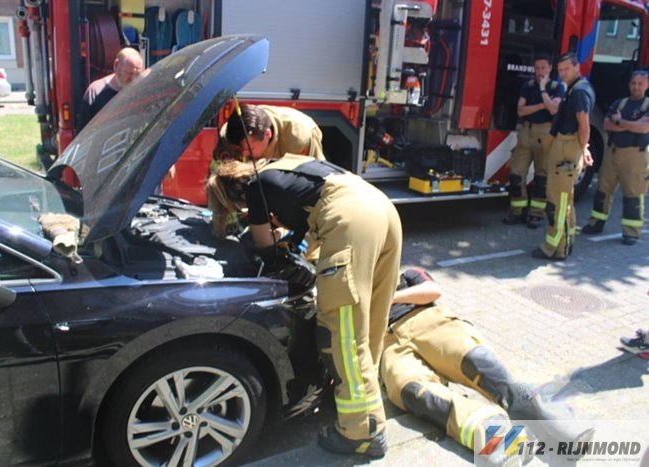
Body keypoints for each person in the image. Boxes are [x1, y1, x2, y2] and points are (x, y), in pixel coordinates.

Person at [207, 154, 402, 458]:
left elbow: (265, 247)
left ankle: (362, 433)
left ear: (235, 197)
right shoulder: (279, 166)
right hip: (382, 210)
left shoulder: (255, 188)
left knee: (341, 332)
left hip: (350, 221)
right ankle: (360, 404)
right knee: (369, 322)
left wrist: (266, 241)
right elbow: (305, 210)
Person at [380, 267, 594, 465]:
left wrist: (388, 297)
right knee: (410, 390)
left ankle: (556, 423)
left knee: (478, 362)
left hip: (428, 321)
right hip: (387, 343)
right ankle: (500, 435)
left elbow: (432, 291)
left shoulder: (408, 275)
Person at [532, 52, 595, 261]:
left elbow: (584, 126)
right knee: (565, 200)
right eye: (560, 70)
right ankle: (566, 243)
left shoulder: (579, 92)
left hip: (567, 147)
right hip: (566, 145)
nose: (563, 73)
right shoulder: (575, 89)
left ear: (577, 67)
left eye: (566, 69)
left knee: (557, 203)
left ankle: (553, 248)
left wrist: (583, 148)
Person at [581, 70, 649, 246]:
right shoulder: (620, 103)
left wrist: (620, 122)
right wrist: (632, 124)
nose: (636, 87)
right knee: (603, 190)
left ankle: (631, 232)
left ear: (647, 85)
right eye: (633, 83)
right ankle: (596, 223)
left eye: (640, 84)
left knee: (633, 194)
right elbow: (606, 124)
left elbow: (644, 128)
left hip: (636, 155)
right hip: (613, 152)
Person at [504, 55, 564, 229]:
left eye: (543, 68)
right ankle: (518, 211)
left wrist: (543, 90)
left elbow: (553, 109)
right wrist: (541, 105)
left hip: (545, 133)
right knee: (516, 174)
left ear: (550, 68)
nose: (539, 72)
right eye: (537, 68)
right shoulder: (528, 86)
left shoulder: (557, 87)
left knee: (542, 177)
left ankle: (536, 214)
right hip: (526, 132)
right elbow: (520, 110)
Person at [217, 103, 325, 160]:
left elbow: (317, 175)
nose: (244, 154)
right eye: (239, 148)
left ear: (268, 134)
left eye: (250, 149)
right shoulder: (230, 132)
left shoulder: (301, 137)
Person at [78, 47, 144, 130]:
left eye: (137, 74)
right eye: (130, 74)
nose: (133, 79)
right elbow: (82, 132)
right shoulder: (94, 93)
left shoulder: (141, 93)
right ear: (116, 65)